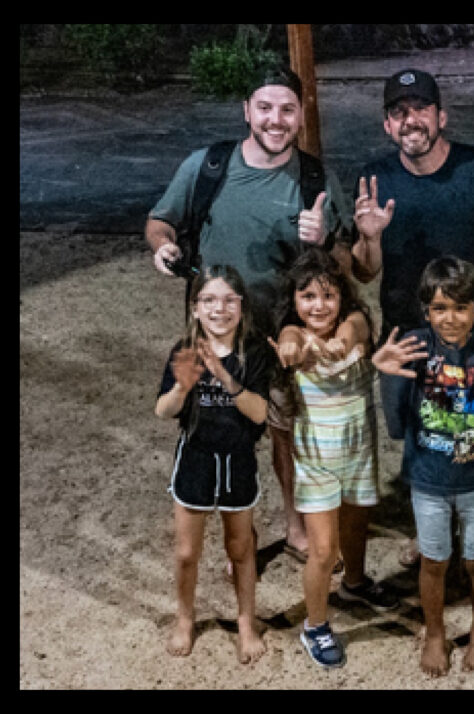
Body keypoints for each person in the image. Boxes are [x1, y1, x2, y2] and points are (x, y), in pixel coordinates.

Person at [146, 63, 352, 566]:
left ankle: (295, 526)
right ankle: (232, 529)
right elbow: (159, 221)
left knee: (285, 430)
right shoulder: (207, 166)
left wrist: (324, 240)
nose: (275, 120)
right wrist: (163, 246)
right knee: (220, 427)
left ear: (301, 114)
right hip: (218, 333)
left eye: (287, 109)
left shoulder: (315, 179)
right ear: (246, 111)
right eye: (265, 108)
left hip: (284, 333)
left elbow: (347, 265)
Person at [348, 68, 474, 567]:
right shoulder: (374, 180)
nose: (411, 120)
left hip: (473, 336)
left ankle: (471, 530)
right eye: (399, 112)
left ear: (441, 116)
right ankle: (432, 528)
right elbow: (364, 272)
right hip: (407, 337)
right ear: (387, 125)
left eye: (421, 108)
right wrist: (369, 236)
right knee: (418, 432)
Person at [371, 256, 474, 677]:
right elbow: (396, 420)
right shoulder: (414, 346)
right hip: (428, 480)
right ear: (425, 310)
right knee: (433, 562)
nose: (450, 318)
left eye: (461, 307)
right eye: (440, 308)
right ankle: (434, 633)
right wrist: (386, 373)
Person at [268, 248, 399, 669]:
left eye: (328, 295)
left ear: (343, 297)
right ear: (294, 300)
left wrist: (338, 346)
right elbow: (289, 340)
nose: (319, 305)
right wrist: (294, 349)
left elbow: (353, 331)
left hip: (358, 456)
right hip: (316, 464)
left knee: (357, 525)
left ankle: (354, 585)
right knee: (324, 550)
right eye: (307, 296)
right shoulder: (294, 332)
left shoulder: (356, 324)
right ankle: (315, 626)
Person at [155, 264, 272, 664]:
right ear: (195, 308)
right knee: (187, 552)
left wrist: (224, 376)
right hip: (197, 458)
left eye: (228, 300)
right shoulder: (184, 350)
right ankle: (185, 618)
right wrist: (182, 386)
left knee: (240, 549)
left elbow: (259, 413)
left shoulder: (253, 352)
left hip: (237, 459)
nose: (218, 309)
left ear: (241, 306)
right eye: (208, 300)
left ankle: (246, 621)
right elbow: (163, 410)